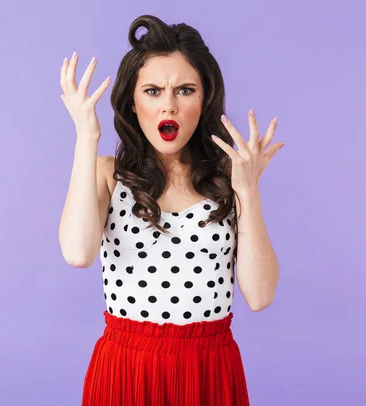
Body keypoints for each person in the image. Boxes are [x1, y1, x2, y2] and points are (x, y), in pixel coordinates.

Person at [58, 14, 284, 406]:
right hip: (127, 369)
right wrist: (86, 137)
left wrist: (248, 191)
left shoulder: (232, 179)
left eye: (184, 90)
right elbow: (78, 254)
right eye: (152, 90)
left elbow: (260, 295)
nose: (169, 105)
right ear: (132, 101)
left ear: (205, 98)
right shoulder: (107, 175)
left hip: (209, 370)